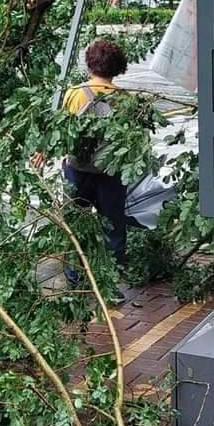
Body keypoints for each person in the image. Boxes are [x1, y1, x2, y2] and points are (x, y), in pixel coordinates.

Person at [61, 38, 130, 274]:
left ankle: (75, 282)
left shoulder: (75, 93)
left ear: (90, 65)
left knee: (75, 227)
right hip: (111, 172)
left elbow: (62, 130)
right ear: (117, 68)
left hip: (78, 170)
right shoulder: (125, 98)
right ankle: (110, 283)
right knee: (113, 228)